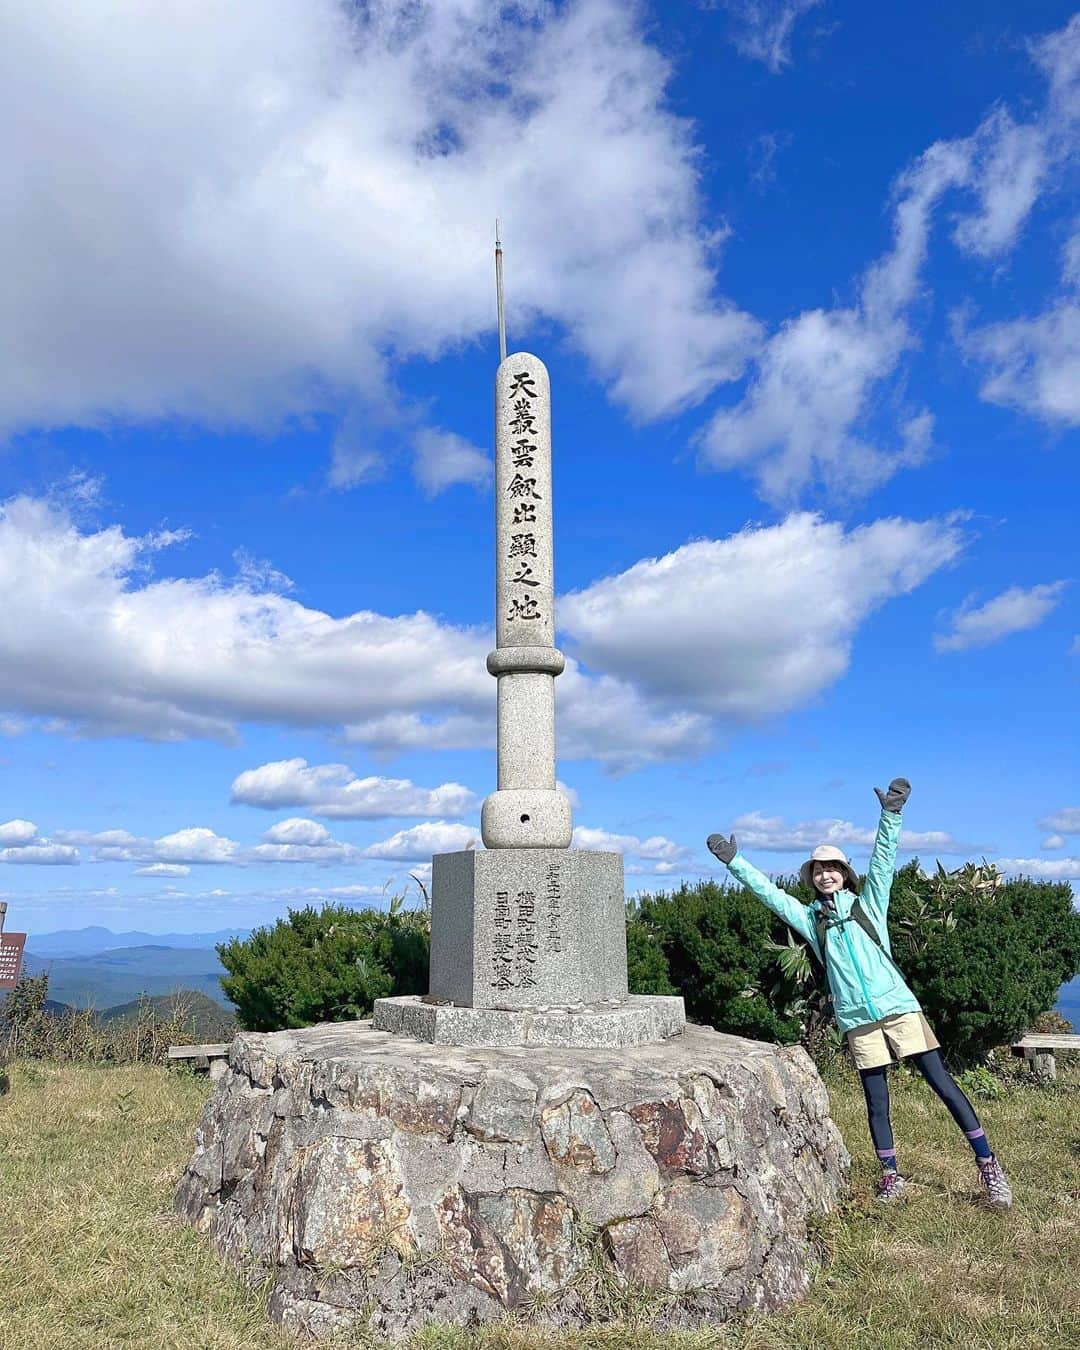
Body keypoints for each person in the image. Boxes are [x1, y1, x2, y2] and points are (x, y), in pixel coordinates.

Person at [707, 778, 1013, 1209]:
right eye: (817, 869)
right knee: (876, 1103)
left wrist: (890, 816)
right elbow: (771, 897)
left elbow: (884, 860)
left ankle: (988, 1167)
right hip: (858, 1019)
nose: (824, 873)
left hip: (899, 1007)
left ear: (845, 873)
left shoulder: (868, 905)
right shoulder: (810, 920)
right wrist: (735, 863)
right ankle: (891, 1176)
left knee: (942, 1084)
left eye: (831, 867)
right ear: (812, 878)